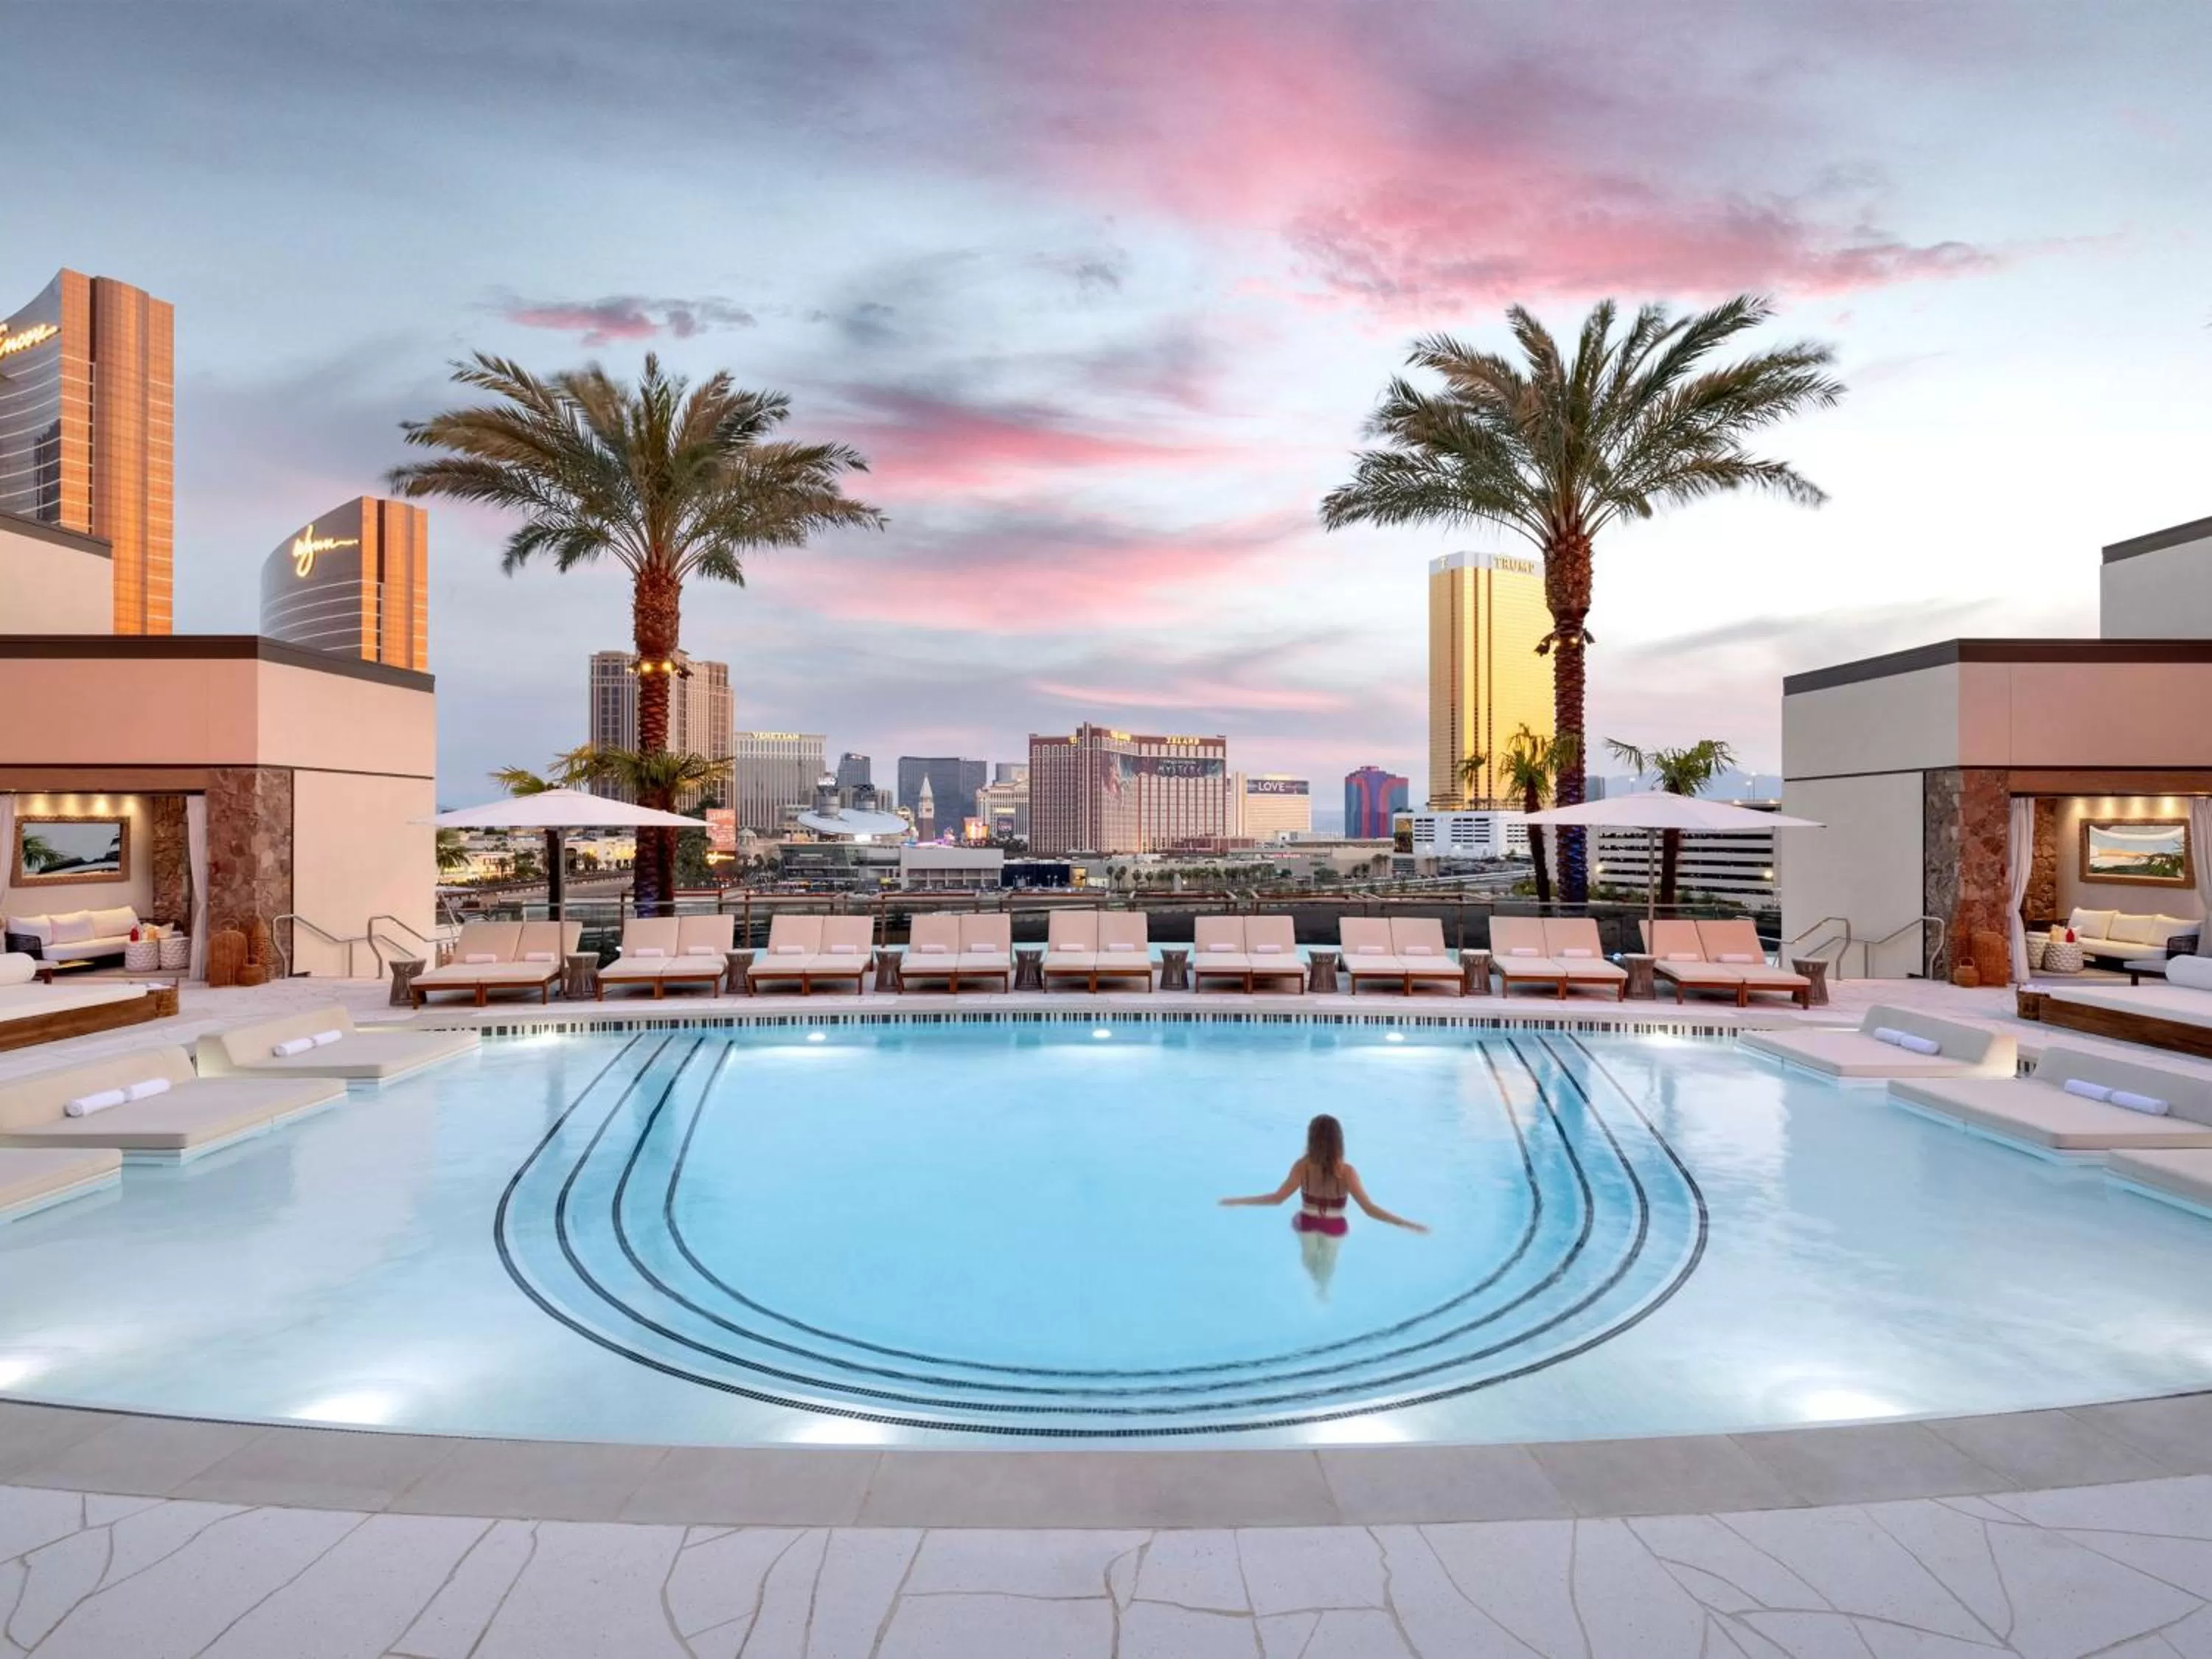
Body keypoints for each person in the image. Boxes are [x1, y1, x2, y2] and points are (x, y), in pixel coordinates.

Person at [1220, 1113, 1427, 1295]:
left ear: (1311, 1139)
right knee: (1326, 1266)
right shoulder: (1347, 1172)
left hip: (1307, 1223)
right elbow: (1369, 1209)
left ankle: (1319, 1288)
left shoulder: (1303, 1167)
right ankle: (1323, 1290)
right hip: (1333, 1227)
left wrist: (1239, 1201)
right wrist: (1406, 1224)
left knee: (1309, 1262)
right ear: (1339, 1141)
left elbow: (1277, 1198)